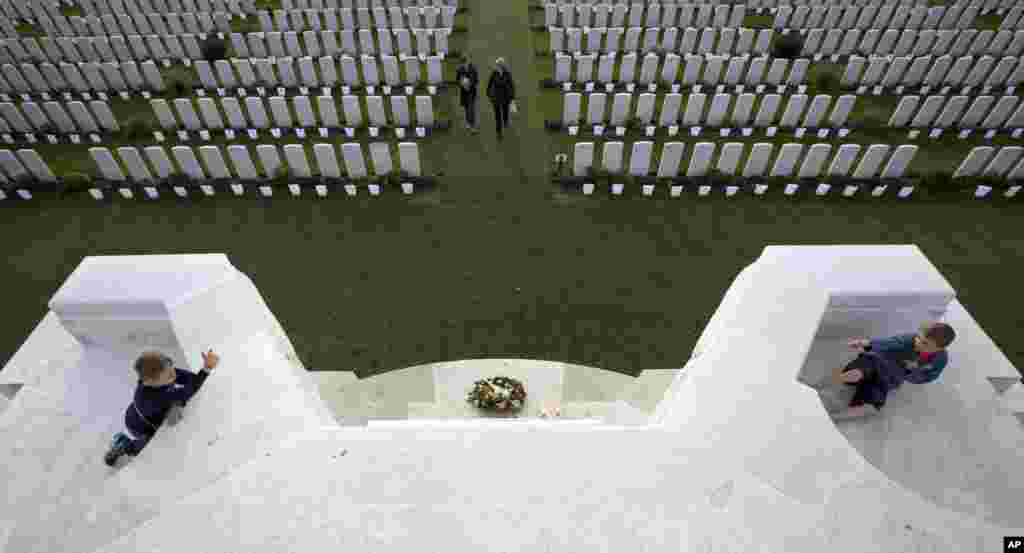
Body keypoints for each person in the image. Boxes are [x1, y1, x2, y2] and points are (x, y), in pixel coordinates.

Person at [104, 349, 221, 466]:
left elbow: (190, 379)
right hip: (138, 426)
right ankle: (125, 446)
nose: (174, 374)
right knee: (150, 442)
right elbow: (187, 392)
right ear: (149, 382)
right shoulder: (152, 397)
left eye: (171, 367)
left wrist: (202, 370)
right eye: (169, 376)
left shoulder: (164, 373)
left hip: (144, 412)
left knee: (175, 405)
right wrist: (206, 369)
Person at [824, 321, 955, 420]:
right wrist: (867, 343)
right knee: (865, 366)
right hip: (877, 361)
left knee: (875, 401)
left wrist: (912, 372)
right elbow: (890, 342)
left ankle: (837, 416)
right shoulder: (910, 339)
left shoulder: (940, 359)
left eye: (925, 343)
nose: (918, 342)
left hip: (890, 377)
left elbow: (929, 376)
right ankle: (836, 380)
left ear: (938, 349)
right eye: (918, 337)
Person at [486, 57, 516, 140]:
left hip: (505, 98)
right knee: (497, 116)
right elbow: (489, 84)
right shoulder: (494, 73)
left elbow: (511, 85)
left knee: (505, 112)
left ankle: (506, 122)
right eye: (498, 65)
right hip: (496, 98)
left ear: (503, 65)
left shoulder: (507, 74)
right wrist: (488, 93)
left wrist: (512, 97)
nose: (499, 66)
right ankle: (499, 132)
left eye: (500, 65)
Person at [455, 55, 479, 133]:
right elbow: (457, 80)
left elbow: (476, 80)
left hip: (471, 92)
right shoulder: (459, 69)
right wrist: (462, 83)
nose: (465, 64)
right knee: (466, 108)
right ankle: (468, 122)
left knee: (471, 108)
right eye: (464, 63)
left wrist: (469, 84)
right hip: (464, 92)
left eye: (466, 62)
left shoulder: (473, 69)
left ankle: (473, 126)